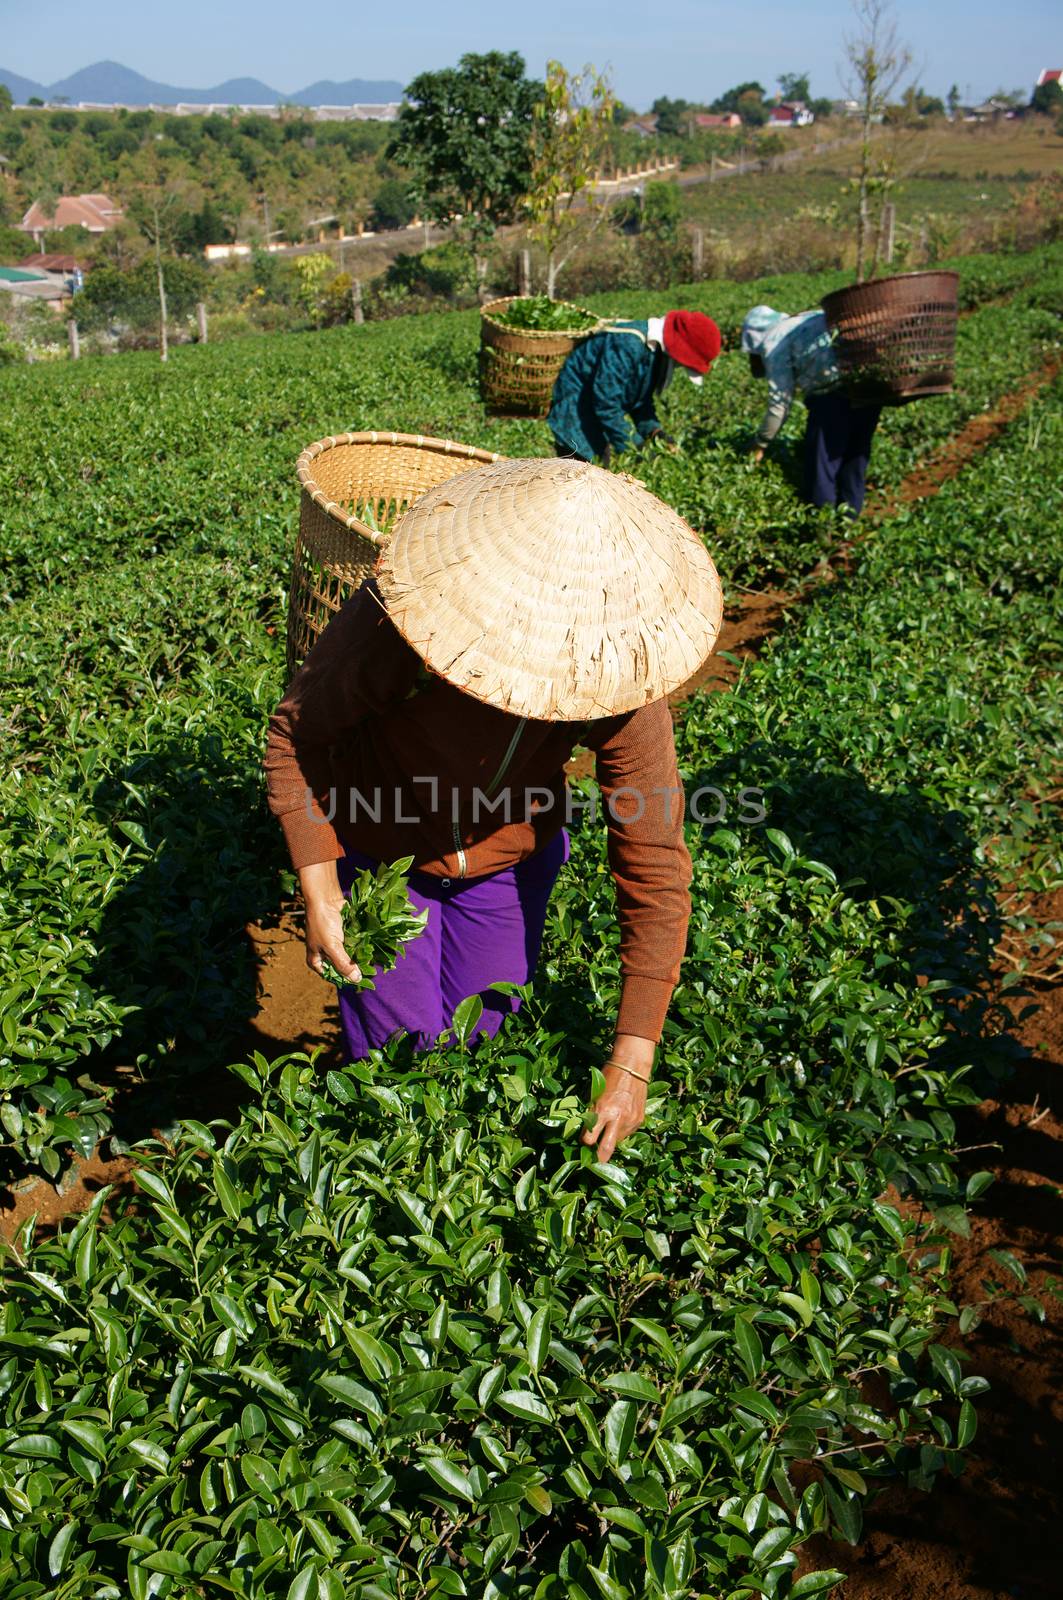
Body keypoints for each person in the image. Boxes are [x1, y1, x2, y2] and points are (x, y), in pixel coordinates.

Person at [265, 457, 722, 1163]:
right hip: (384, 853)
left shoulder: (622, 667)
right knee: (401, 1063)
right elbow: (295, 734)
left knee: (483, 1051)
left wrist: (631, 1061)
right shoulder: (404, 613)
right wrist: (321, 886)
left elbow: (652, 853)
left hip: (509, 863)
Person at [741, 304, 882, 515]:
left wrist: (760, 444)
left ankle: (822, 527)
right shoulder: (805, 319)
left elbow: (780, 404)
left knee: (822, 465)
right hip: (868, 388)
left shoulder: (774, 339)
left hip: (832, 398)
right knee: (856, 456)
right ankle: (850, 523)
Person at [548, 310, 721, 465]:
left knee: (600, 470)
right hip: (576, 410)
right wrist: (637, 446)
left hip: (596, 410)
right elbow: (606, 402)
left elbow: (640, 400)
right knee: (582, 475)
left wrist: (654, 432)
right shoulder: (629, 343)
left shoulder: (654, 353)